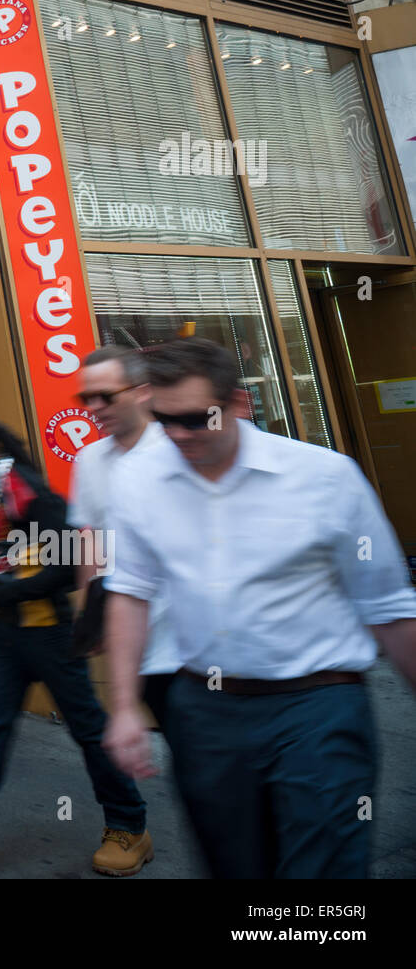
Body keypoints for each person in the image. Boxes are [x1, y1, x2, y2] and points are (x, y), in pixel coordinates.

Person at [102, 337, 416, 879]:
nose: (178, 434)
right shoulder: (137, 480)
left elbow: (386, 603)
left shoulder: (325, 478)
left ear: (240, 405)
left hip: (319, 704)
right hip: (204, 711)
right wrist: (125, 706)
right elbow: (131, 590)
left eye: (198, 419)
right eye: (163, 419)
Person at [0, 401, 152, 877]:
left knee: (88, 730)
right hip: (1, 633)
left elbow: (66, 569)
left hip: (48, 634)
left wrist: (3, 593)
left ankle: (130, 827)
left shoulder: (31, 492)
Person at [67, 346, 178, 738]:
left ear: (142, 392)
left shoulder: (179, 451)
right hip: (137, 646)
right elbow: (89, 541)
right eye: (86, 398)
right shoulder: (89, 460)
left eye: (107, 396)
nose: (95, 407)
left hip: (195, 644)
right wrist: (90, 618)